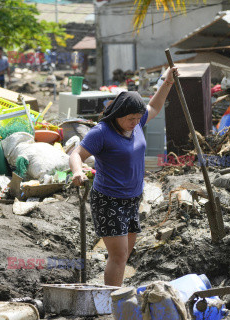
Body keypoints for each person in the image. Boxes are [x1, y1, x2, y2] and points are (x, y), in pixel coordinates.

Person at [70, 67, 178, 287]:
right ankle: (112, 301)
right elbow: (76, 154)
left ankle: (113, 295)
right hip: (109, 200)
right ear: (118, 114)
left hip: (132, 198)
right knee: (118, 256)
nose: (135, 122)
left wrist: (167, 82)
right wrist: (78, 171)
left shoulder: (137, 123)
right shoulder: (102, 132)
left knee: (125, 253)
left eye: (138, 118)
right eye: (130, 118)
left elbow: (155, 106)